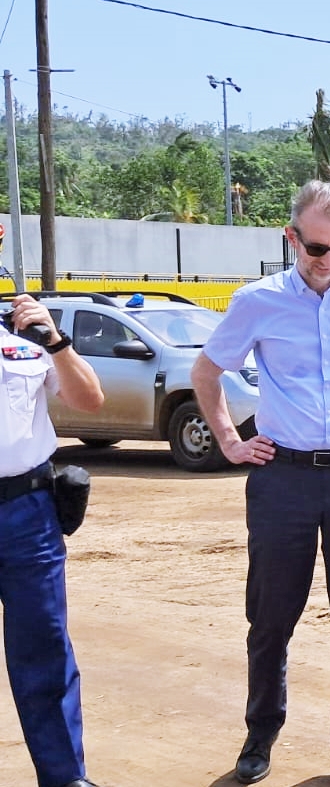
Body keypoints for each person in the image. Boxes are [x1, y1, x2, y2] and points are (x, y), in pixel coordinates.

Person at [193, 181, 330, 787]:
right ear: (292, 238)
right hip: (280, 478)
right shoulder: (257, 301)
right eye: (319, 248)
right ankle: (260, 738)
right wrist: (231, 441)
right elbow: (208, 370)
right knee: (270, 617)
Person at [0, 294, 104, 787]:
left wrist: (57, 342)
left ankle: (65, 777)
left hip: (27, 512)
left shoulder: (25, 333)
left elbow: (89, 399)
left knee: (44, 646)